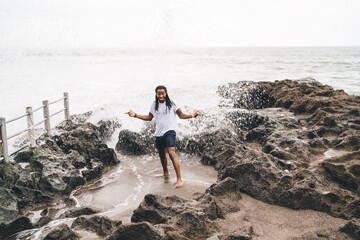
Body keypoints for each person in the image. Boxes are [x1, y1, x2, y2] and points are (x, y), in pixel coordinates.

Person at [125, 85, 199, 188]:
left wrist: (191, 115)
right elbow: (149, 117)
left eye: (162, 93)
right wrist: (136, 115)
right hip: (159, 133)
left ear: (166, 93)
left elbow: (181, 115)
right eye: (158, 94)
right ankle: (166, 174)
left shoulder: (172, 104)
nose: (161, 96)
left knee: (172, 153)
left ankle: (179, 179)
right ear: (156, 94)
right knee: (162, 155)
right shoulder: (154, 105)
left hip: (170, 131)